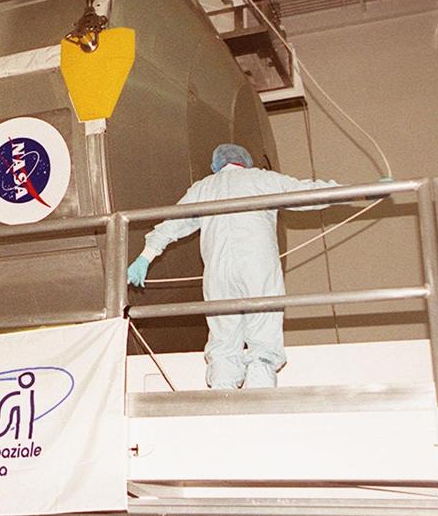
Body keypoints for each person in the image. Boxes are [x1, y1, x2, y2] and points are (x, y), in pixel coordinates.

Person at [126, 144, 338, 389]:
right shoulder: (261, 179)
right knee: (263, 325)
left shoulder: (204, 188)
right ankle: (261, 387)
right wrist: (356, 193)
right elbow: (307, 194)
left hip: (218, 273)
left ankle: (223, 391)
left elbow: (173, 224)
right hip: (257, 266)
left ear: (216, 165)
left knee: (224, 334)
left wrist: (146, 256)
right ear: (245, 161)